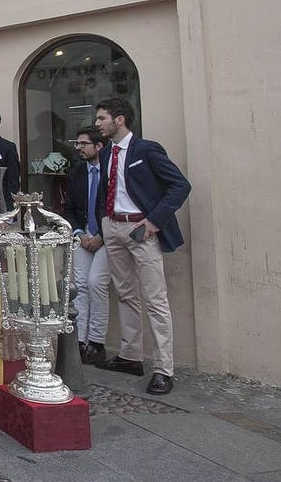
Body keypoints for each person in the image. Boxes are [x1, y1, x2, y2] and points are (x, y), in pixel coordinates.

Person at [93, 96, 191, 396]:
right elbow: (107, 189)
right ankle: (130, 356)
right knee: (125, 293)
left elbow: (180, 185)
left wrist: (152, 222)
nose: (97, 124)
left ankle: (163, 369)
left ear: (119, 119)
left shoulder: (146, 149)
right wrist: (104, 223)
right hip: (113, 226)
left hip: (141, 228)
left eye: (102, 119)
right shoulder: (108, 152)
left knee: (155, 299)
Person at [63, 126, 110, 365]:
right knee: (79, 285)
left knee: (96, 283)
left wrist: (101, 236)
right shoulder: (77, 173)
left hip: (107, 237)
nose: (78, 147)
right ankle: (80, 340)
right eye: (77, 143)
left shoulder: (110, 171)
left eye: (83, 143)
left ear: (98, 146)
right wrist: (80, 234)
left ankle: (97, 342)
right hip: (82, 235)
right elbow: (69, 208)